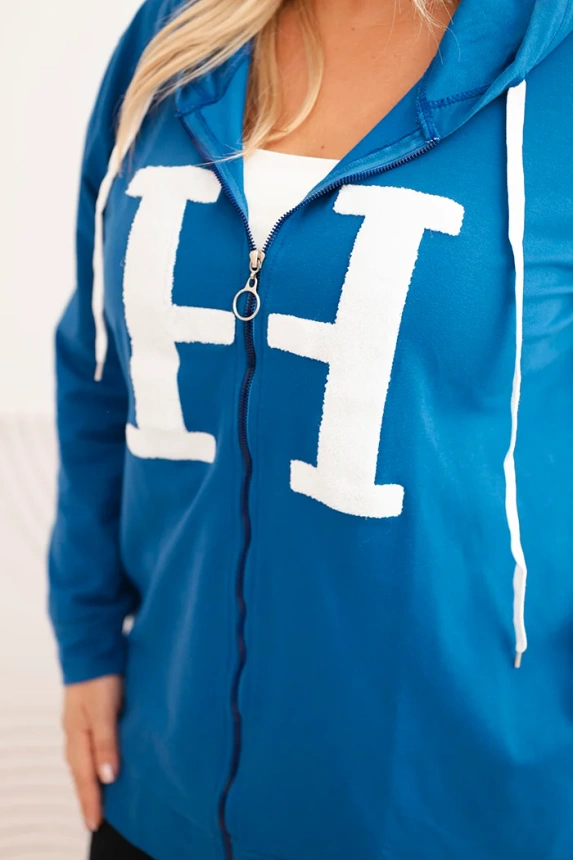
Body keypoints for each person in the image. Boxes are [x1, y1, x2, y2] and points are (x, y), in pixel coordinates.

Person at [48, 0, 573, 857]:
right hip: (159, 795)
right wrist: (87, 640)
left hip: (452, 818)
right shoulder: (172, 36)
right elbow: (98, 368)